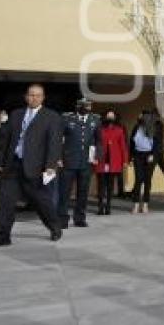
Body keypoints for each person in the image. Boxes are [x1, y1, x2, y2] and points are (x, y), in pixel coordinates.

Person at [0, 84, 63, 249]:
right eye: (31, 95)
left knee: (41, 202)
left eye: (38, 95)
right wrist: (1, 164)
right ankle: (2, 236)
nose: (34, 98)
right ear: (26, 97)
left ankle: (54, 226)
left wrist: (50, 165)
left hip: (36, 167)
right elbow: (7, 141)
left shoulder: (51, 117)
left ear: (43, 97)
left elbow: (54, 143)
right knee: (5, 202)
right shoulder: (16, 114)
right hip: (13, 165)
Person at [58, 98, 101, 229]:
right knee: (65, 192)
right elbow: (59, 139)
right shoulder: (67, 119)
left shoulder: (95, 120)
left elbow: (99, 140)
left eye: (88, 105)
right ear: (77, 106)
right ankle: (62, 219)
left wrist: (97, 156)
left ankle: (80, 218)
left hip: (86, 162)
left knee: (83, 192)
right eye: (83, 105)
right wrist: (58, 157)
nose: (86, 107)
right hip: (68, 161)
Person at [129, 109, 163, 214]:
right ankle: (135, 204)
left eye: (144, 116)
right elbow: (131, 142)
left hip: (149, 156)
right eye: (142, 116)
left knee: (147, 180)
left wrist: (153, 154)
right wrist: (131, 157)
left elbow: (158, 143)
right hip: (138, 155)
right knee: (138, 179)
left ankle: (145, 204)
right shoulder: (136, 128)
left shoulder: (154, 128)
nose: (142, 117)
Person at [95, 110, 128, 215]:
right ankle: (100, 207)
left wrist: (125, 160)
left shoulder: (119, 130)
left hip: (114, 162)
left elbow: (123, 146)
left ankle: (108, 206)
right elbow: (94, 144)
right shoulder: (99, 129)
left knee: (110, 186)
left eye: (112, 116)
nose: (110, 117)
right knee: (101, 185)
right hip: (101, 160)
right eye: (108, 115)